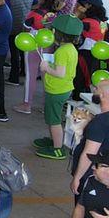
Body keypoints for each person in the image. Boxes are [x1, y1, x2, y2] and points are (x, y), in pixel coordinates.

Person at [35, 14, 84, 161]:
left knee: (53, 120)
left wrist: (45, 67)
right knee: (53, 118)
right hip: (63, 88)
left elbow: (60, 73)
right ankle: (55, 140)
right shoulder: (70, 48)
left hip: (57, 90)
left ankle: (58, 149)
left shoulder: (63, 51)